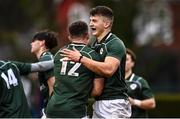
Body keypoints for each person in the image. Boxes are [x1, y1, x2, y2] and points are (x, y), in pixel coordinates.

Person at [62, 6, 131, 118]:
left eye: (94, 21)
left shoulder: (115, 43)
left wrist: (80, 59)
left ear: (106, 24)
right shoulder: (94, 45)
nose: (90, 24)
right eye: (90, 20)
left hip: (114, 102)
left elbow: (109, 70)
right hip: (98, 101)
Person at [46, 21, 104, 118]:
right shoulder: (93, 56)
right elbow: (97, 91)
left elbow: (55, 82)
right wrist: (79, 89)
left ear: (69, 36)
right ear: (87, 35)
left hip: (53, 109)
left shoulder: (59, 54)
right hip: (75, 110)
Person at [30, 30, 58, 117]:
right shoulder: (46, 57)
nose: (31, 43)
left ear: (42, 42)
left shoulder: (46, 58)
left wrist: (50, 110)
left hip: (52, 110)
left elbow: (53, 86)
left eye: (34, 41)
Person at [125, 48, 156, 118]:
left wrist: (134, 102)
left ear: (132, 63)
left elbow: (152, 103)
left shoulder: (139, 81)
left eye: (126, 59)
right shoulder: (113, 81)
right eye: (122, 59)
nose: (123, 62)